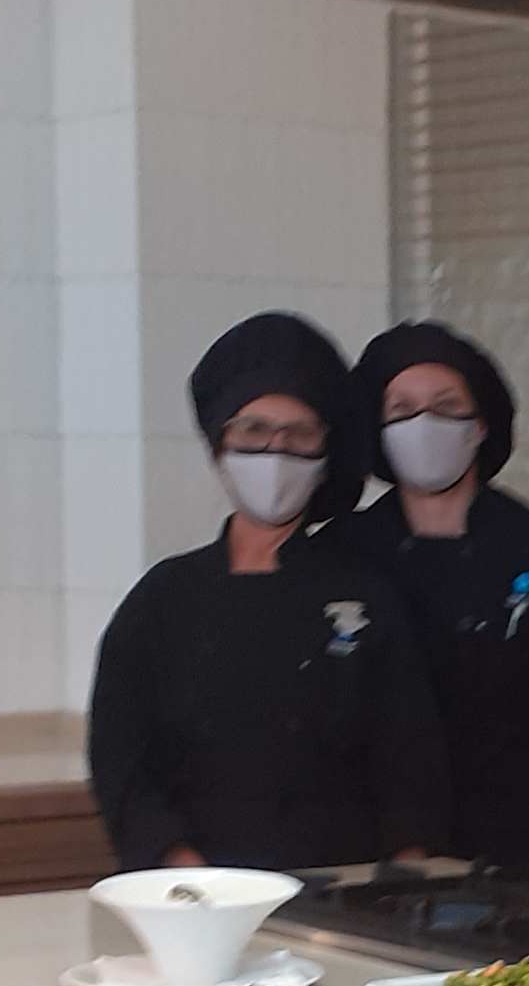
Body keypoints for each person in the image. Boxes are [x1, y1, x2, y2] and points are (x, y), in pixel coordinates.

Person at [88, 312, 448, 873]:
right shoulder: (162, 600)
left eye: (299, 435)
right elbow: (121, 758)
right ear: (219, 446)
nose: (276, 452)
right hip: (195, 893)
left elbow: (410, 762)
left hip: (342, 892)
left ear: (324, 455)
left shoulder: (367, 597)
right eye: (254, 431)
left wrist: (402, 880)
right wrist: (186, 873)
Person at [341, 322, 529, 882]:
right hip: (366, 855)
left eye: (447, 407)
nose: (424, 425)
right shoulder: (343, 553)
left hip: (513, 851)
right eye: (402, 410)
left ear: (482, 424)